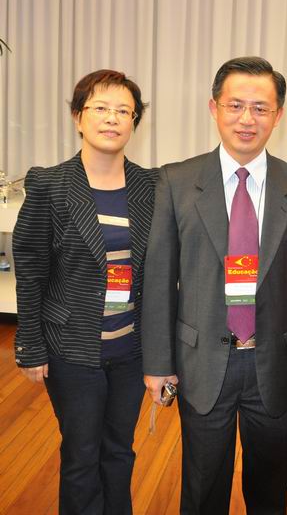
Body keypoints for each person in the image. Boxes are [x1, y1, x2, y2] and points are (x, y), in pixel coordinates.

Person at [141, 56, 287, 514]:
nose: (246, 119)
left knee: (270, 491)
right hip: (201, 362)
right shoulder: (176, 181)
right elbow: (159, 278)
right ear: (213, 108)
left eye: (260, 108)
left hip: (275, 364)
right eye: (235, 105)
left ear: (279, 115)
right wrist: (158, 364)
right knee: (202, 490)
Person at [13, 69, 157, 515]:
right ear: (78, 117)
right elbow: (31, 270)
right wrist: (30, 345)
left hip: (131, 349)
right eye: (100, 108)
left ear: (134, 122)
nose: (112, 118)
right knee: (81, 454)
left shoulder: (151, 187)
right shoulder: (50, 184)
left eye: (123, 111)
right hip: (71, 350)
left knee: (119, 450)